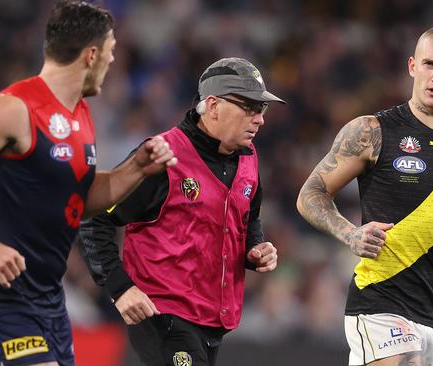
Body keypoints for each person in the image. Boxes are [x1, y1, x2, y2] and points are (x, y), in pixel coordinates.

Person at [0, 2, 176, 365]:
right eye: (111, 52)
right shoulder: (14, 108)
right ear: (91, 55)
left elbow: (78, 200)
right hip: (0, 300)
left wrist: (135, 168)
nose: (112, 61)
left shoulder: (81, 114)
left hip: (49, 302)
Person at [297, 25, 433, 366]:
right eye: (429, 64)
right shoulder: (371, 131)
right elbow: (311, 194)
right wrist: (350, 233)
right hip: (379, 299)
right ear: (412, 67)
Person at [78, 57, 283, 366]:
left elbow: (248, 216)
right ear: (213, 105)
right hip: (162, 316)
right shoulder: (162, 157)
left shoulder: (248, 157)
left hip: (211, 321)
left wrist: (254, 247)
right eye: (250, 107)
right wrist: (121, 288)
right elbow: (95, 217)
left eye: (262, 109)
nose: (259, 119)